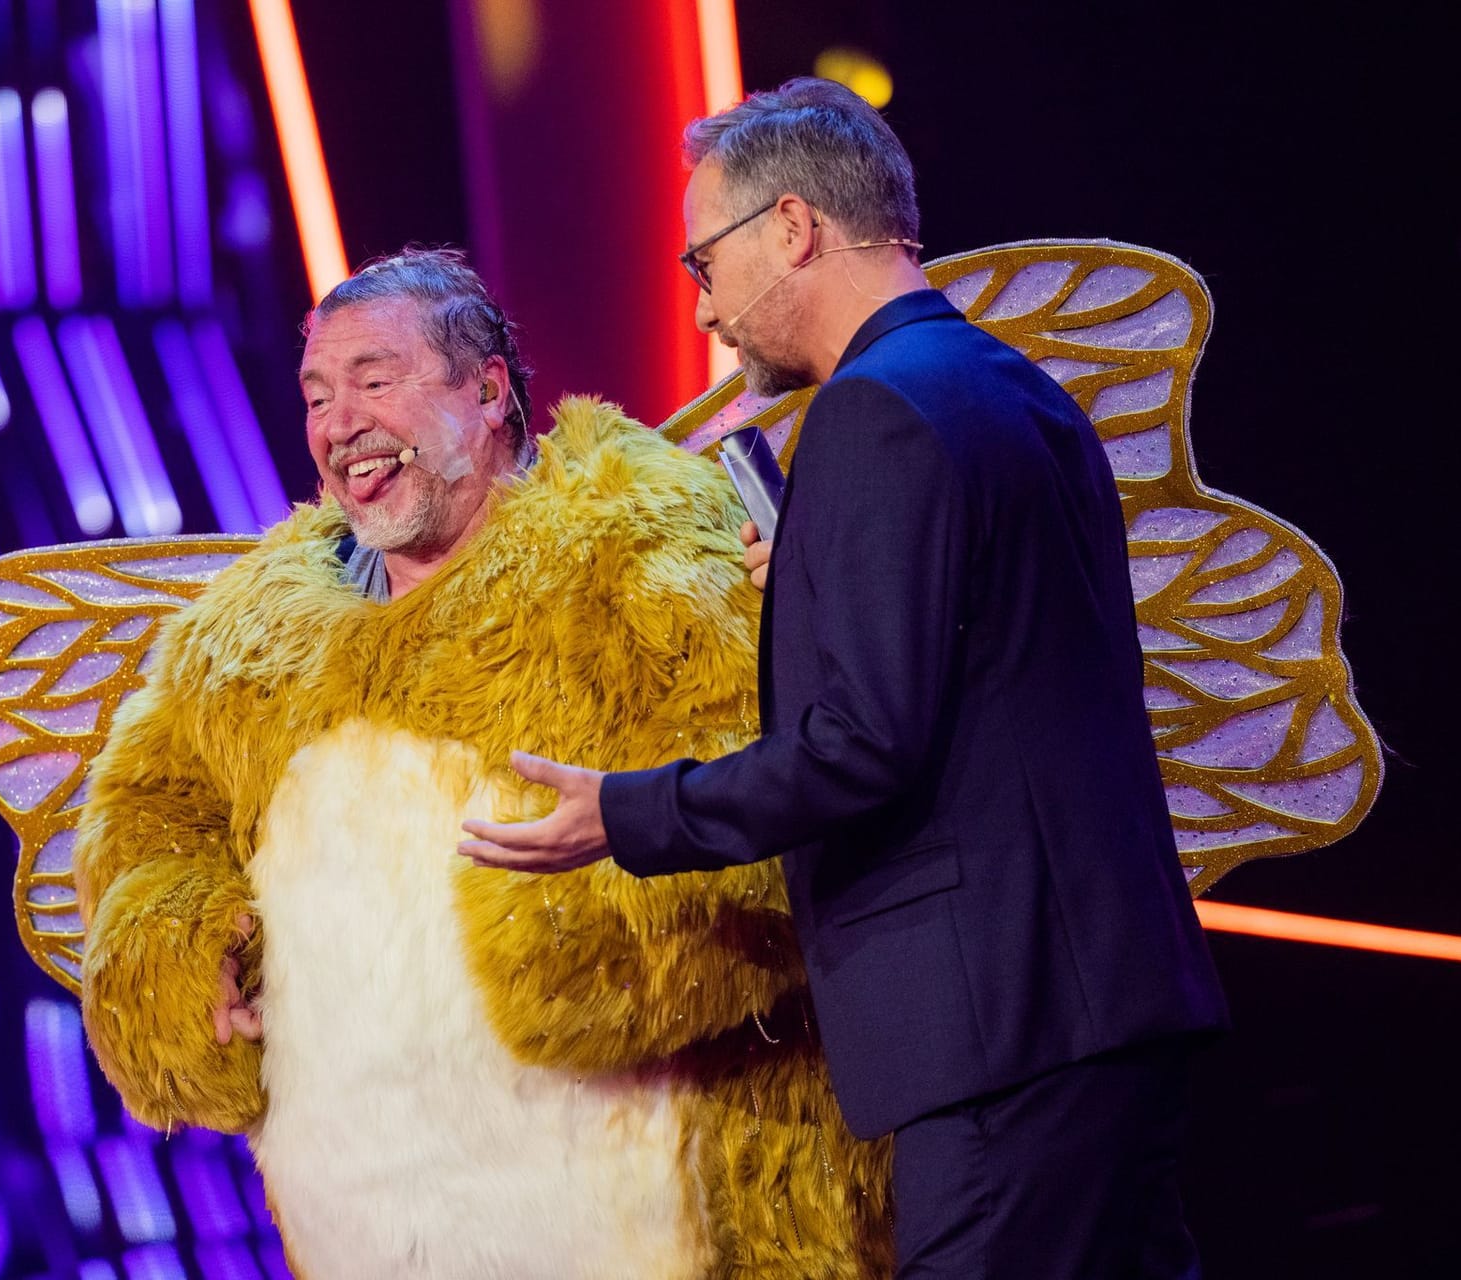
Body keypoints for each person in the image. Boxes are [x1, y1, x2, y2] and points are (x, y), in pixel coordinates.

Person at [460, 80, 1230, 1276]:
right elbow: (994, 675)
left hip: (1000, 1037)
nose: (704, 307)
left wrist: (620, 812)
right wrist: (821, 590)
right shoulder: (1013, 388)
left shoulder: (876, 415)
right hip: (1102, 1012)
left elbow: (860, 743)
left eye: (702, 259)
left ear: (793, 229)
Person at [72, 248, 891, 1277]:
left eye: (375, 379)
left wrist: (569, 941)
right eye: (318, 395)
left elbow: (797, 794)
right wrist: (176, 957)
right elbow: (145, 826)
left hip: (668, 1206)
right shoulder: (246, 639)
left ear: (489, 390)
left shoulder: (636, 547)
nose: (339, 424)